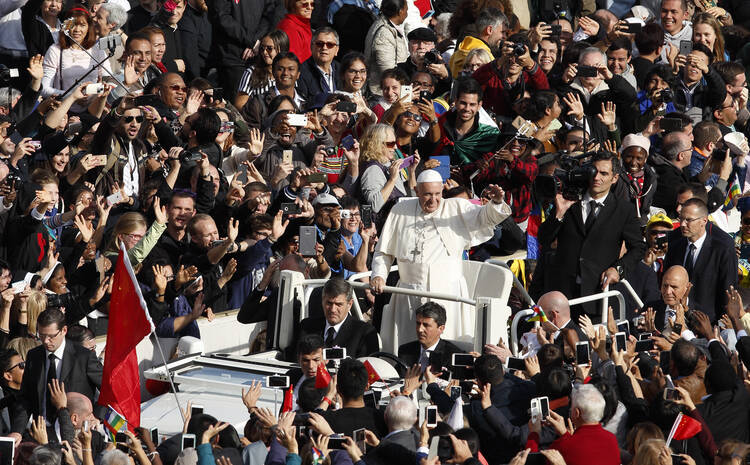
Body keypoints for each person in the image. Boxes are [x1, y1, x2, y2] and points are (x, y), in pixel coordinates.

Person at [371, 169, 511, 352]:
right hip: (409, 294)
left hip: (447, 295)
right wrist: (379, 275)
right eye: (427, 194)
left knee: (448, 349)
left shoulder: (456, 208)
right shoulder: (400, 210)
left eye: (438, 194)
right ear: (416, 190)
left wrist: (497, 202)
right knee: (407, 350)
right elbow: (384, 251)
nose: (433, 200)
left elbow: (485, 217)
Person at [537, 151, 645, 316]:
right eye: (593, 171)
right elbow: (544, 238)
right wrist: (559, 214)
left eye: (604, 173)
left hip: (598, 298)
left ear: (614, 178)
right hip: (562, 296)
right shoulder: (568, 201)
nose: (596, 177)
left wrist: (618, 269)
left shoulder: (624, 210)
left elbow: (638, 248)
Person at [14, 308, 102, 432]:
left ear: (64, 330)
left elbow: (108, 390)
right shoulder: (34, 356)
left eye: (51, 336)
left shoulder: (83, 357)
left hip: (75, 431)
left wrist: (97, 416)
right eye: (41, 335)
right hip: (42, 431)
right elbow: (25, 397)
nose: (45, 341)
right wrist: (17, 431)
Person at [663, 198, 737, 321]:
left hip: (708, 323)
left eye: (688, 220)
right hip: (675, 320)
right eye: (681, 218)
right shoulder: (675, 247)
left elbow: (727, 291)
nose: (682, 224)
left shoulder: (722, 250)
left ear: (704, 220)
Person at [527, 384, 620, 465]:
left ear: (576, 413)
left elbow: (531, 462)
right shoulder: (612, 439)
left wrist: (534, 434)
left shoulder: (562, 446)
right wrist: (565, 435)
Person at [207, 0, 276, 101]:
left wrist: (257, 41)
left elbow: (269, 14)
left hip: (259, 56)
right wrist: (251, 42)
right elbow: (222, 17)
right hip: (234, 59)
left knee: (260, 104)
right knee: (236, 105)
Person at [297, 278, 380, 358]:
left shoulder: (365, 333)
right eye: (329, 303)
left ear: (349, 304)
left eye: (338, 304)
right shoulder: (307, 327)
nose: (333, 310)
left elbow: (365, 370)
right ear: (322, 301)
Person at [320, 358, 388, 437]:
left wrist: (329, 395)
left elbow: (312, 419)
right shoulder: (383, 418)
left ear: (338, 389)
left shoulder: (327, 420)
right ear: (367, 387)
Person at [397, 302, 462, 371]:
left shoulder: (452, 356)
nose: (420, 329)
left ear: (441, 329)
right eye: (418, 323)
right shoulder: (405, 351)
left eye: (426, 325)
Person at [363, 0, 409, 95]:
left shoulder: (385, 25)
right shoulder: (384, 33)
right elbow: (388, 72)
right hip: (383, 94)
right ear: (400, 12)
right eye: (406, 10)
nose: (407, 14)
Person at [449, 8, 507, 78]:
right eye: (502, 32)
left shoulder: (458, 52)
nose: (504, 37)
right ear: (489, 30)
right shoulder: (486, 58)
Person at [297, 27, 340, 102]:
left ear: (336, 50)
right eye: (319, 44)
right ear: (311, 47)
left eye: (330, 44)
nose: (324, 48)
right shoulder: (301, 72)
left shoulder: (342, 70)